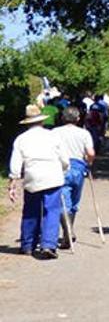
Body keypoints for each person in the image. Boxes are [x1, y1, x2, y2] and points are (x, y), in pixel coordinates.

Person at [7, 105, 68, 259]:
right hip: (52, 175)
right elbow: (64, 159)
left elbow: (15, 163)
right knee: (52, 210)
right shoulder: (53, 136)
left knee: (30, 211)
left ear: (28, 122)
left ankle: (27, 244)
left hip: (32, 176)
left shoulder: (21, 139)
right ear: (41, 121)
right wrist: (64, 169)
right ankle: (49, 244)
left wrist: (13, 181)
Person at [53, 107, 95, 249]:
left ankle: (68, 232)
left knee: (63, 201)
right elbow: (90, 152)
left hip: (61, 167)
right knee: (74, 202)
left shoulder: (55, 132)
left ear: (63, 118)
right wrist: (89, 163)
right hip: (78, 167)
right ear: (78, 119)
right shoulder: (84, 133)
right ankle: (68, 233)